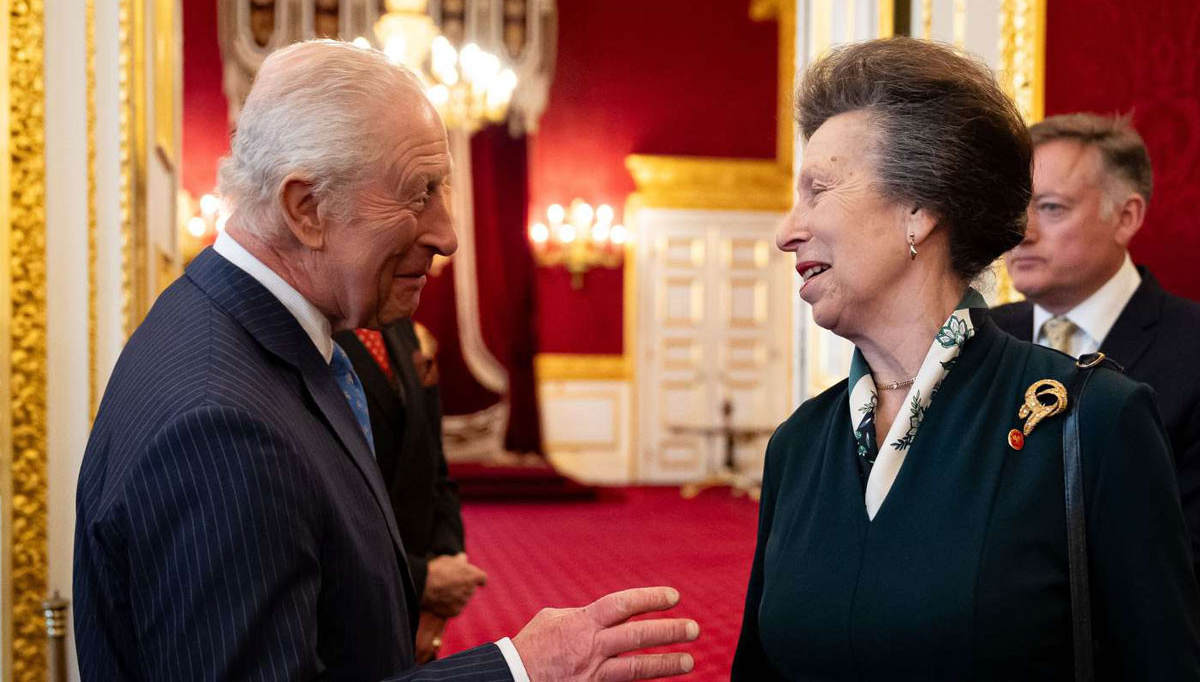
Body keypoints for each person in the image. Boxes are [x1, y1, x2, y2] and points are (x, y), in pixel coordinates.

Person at [74, 40, 698, 681]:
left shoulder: (250, 339)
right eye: (419, 194)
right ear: (306, 209)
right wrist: (518, 670)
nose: (447, 235)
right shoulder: (221, 425)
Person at [733, 37, 1200, 680]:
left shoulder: (1092, 421)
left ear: (920, 210)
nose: (786, 231)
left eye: (818, 190)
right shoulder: (799, 444)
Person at [993, 113, 1200, 575]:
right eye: (1016, 206)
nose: (1021, 232)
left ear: (1126, 217)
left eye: (1050, 208)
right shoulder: (976, 337)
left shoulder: (1190, 347)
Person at [335, 320, 483, 663]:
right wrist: (420, 582)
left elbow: (434, 468)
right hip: (350, 610)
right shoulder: (316, 334)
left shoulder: (406, 329)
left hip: (415, 609)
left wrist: (445, 573)